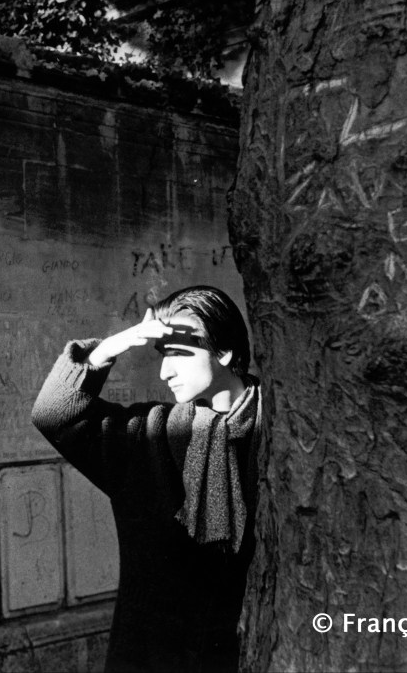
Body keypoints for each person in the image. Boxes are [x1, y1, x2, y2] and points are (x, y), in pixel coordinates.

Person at [32, 285, 261, 673]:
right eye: (161, 354)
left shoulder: (285, 440)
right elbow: (54, 413)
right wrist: (109, 348)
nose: (164, 371)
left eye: (177, 353)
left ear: (224, 352)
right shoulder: (149, 436)